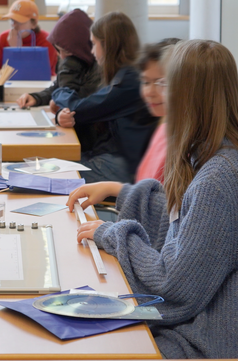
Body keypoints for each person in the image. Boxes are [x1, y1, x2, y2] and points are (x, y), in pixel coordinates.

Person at [67, 39, 238, 359]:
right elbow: (191, 223)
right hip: (199, 326)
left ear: (188, 96)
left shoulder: (218, 179)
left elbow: (174, 288)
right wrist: (124, 193)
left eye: (166, 84)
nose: (158, 94)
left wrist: (114, 234)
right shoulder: (217, 154)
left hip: (201, 341)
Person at [52, 11, 157, 183]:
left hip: (123, 167)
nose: (92, 52)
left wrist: (59, 92)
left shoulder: (129, 81)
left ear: (107, 45)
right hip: (113, 157)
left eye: (94, 44)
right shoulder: (124, 75)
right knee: (49, 166)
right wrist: (60, 113)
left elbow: (78, 109)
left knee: (53, 174)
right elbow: (81, 109)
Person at [16, 8, 101, 112]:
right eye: (59, 51)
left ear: (82, 49)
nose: (62, 57)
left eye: (66, 51)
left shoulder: (96, 72)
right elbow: (58, 87)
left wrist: (59, 108)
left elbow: (71, 105)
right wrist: (36, 97)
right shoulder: (77, 62)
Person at [135, 39, 180, 183]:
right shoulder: (163, 128)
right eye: (146, 82)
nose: (150, 92)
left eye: (161, 82)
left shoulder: (186, 141)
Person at [0, 0, 58, 76]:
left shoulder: (46, 40)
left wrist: (16, 50)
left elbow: (36, 74)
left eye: (19, 22)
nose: (13, 25)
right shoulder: (4, 38)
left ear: (34, 24)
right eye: (12, 21)